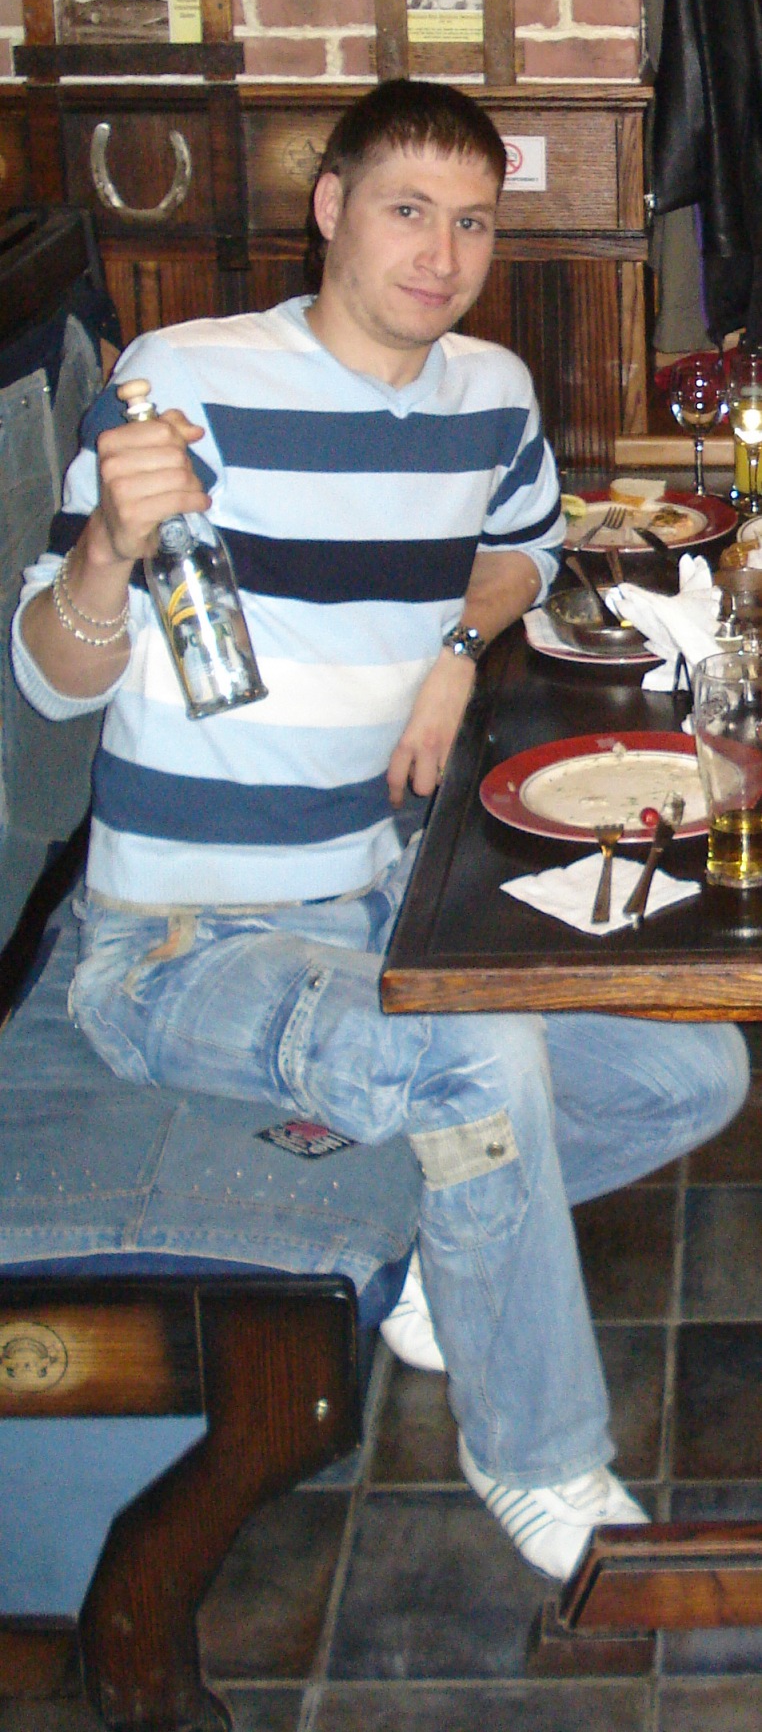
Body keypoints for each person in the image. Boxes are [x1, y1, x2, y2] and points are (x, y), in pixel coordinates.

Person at [12, 79, 748, 1584]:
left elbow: (522, 550)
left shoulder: (490, 391)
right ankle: (536, 1456)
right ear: (330, 208)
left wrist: (454, 655)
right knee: (475, 1062)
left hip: (376, 908)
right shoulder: (182, 378)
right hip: (177, 946)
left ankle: (439, 1245)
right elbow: (49, 676)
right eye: (407, 211)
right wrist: (106, 552)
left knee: (695, 1069)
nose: (441, 253)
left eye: (472, 222)